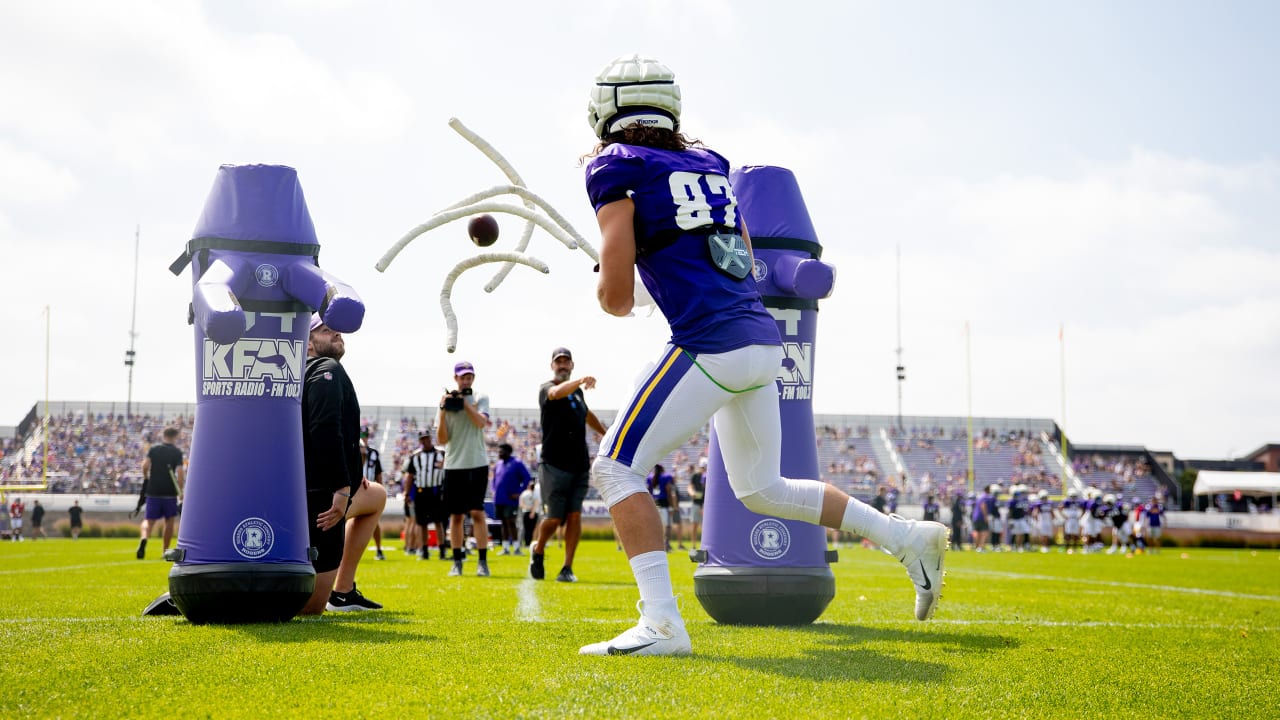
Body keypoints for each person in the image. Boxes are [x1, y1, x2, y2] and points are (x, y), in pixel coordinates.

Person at [578, 54, 948, 656]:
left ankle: (662, 624)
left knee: (615, 468)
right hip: (759, 338)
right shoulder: (710, 165)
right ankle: (906, 535)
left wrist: (609, 275)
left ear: (606, 107)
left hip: (710, 341)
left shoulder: (616, 166)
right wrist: (651, 276)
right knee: (764, 489)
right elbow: (736, 260)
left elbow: (615, 300)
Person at [301, 314, 387, 614]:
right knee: (310, 609)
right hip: (322, 493)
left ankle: (344, 590)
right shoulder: (327, 369)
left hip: (309, 486)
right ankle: (218, 602)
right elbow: (325, 428)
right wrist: (341, 486)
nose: (336, 333)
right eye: (326, 330)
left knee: (375, 494)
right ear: (308, 343)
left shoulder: (299, 372)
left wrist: (355, 474)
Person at [531, 347, 607, 583]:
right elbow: (555, 393)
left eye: (566, 362)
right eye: (558, 362)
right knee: (553, 519)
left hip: (579, 464)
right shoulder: (547, 388)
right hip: (554, 464)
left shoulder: (577, 395)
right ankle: (539, 549)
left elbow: (586, 414)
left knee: (574, 516)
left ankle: (567, 567)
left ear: (572, 364)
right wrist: (580, 380)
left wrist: (605, 434)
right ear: (552, 366)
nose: (562, 365)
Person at [437, 360, 492, 577]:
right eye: (462, 377)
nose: (465, 380)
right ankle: (457, 561)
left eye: (469, 376)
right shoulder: (445, 402)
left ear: (473, 378)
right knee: (456, 516)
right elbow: (442, 439)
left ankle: (482, 561)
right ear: (455, 379)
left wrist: (464, 403)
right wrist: (443, 409)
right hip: (454, 465)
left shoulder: (480, 397)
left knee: (478, 512)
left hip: (477, 462)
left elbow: (481, 423)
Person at [135, 426, 185, 559]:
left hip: (153, 490)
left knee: (148, 520)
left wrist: (146, 477)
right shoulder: (176, 452)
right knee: (169, 521)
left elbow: (145, 466)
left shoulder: (154, 449)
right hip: (169, 491)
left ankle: (144, 538)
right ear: (175, 437)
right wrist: (180, 490)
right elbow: (180, 473)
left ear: (164, 435)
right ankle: (165, 551)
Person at [403, 430, 449, 560]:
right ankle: (424, 550)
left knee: (438, 522)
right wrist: (407, 493)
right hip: (421, 491)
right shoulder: (415, 456)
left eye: (427, 438)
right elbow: (410, 476)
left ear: (430, 438)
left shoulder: (441, 453)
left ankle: (442, 550)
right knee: (421, 523)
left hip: (436, 491)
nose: (425, 441)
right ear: (420, 441)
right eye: (422, 439)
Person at [492, 443, 531, 555]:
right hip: (499, 499)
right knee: (503, 522)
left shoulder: (517, 463)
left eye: (502, 451)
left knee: (511, 522)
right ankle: (505, 548)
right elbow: (493, 480)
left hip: (511, 499)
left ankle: (517, 548)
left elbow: (527, 478)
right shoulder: (498, 464)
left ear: (508, 452)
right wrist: (494, 490)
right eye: (499, 451)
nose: (499, 453)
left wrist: (519, 492)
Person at [360, 432, 387, 561]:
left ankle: (379, 549)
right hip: (355, 488)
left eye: (365, 435)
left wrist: (380, 488)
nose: (363, 437)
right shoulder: (351, 448)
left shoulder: (374, 453)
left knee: (374, 521)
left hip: (369, 488)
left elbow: (378, 473)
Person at [646, 464, 680, 553]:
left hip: (654, 504)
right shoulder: (666, 476)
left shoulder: (650, 477)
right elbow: (669, 491)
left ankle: (655, 545)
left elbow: (648, 492)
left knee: (656, 526)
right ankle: (666, 544)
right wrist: (673, 506)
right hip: (665, 504)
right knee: (667, 526)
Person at [687, 461, 705, 548]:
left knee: (705, 527)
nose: (703, 469)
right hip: (696, 503)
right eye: (702, 467)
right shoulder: (695, 476)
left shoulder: (709, 476)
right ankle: (693, 545)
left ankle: (704, 545)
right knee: (694, 525)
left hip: (706, 505)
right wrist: (692, 493)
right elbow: (690, 486)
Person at [519, 479, 540, 551]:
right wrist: (532, 511)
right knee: (531, 530)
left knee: (526, 529)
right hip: (533, 512)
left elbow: (521, 504)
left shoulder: (523, 493)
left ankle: (525, 543)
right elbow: (536, 503)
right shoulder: (534, 494)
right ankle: (527, 543)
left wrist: (528, 508)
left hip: (526, 512)